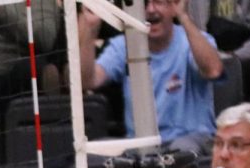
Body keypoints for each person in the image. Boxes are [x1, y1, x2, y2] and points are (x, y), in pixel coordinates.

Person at [79, 0, 225, 154]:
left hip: (191, 142)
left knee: (181, 153)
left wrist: (183, 15)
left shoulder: (194, 40)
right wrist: (90, 29)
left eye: (158, 2)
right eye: (144, 4)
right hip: (141, 146)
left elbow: (214, 70)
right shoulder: (123, 45)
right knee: (91, 155)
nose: (151, 9)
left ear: (173, 6)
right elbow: (87, 80)